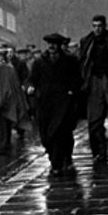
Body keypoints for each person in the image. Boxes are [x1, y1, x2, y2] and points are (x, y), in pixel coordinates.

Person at [28, 33, 83, 174]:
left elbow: (77, 79)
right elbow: (33, 79)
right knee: (46, 135)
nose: (51, 46)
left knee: (59, 132)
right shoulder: (39, 62)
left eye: (54, 43)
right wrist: (31, 87)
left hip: (63, 103)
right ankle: (54, 156)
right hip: (45, 102)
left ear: (59, 45)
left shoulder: (70, 61)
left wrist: (72, 91)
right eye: (49, 43)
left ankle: (56, 164)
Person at [78, 14, 108, 162]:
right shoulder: (87, 41)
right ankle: (99, 151)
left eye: (100, 26)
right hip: (94, 80)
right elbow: (82, 62)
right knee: (94, 119)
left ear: (105, 26)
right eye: (94, 26)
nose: (97, 29)